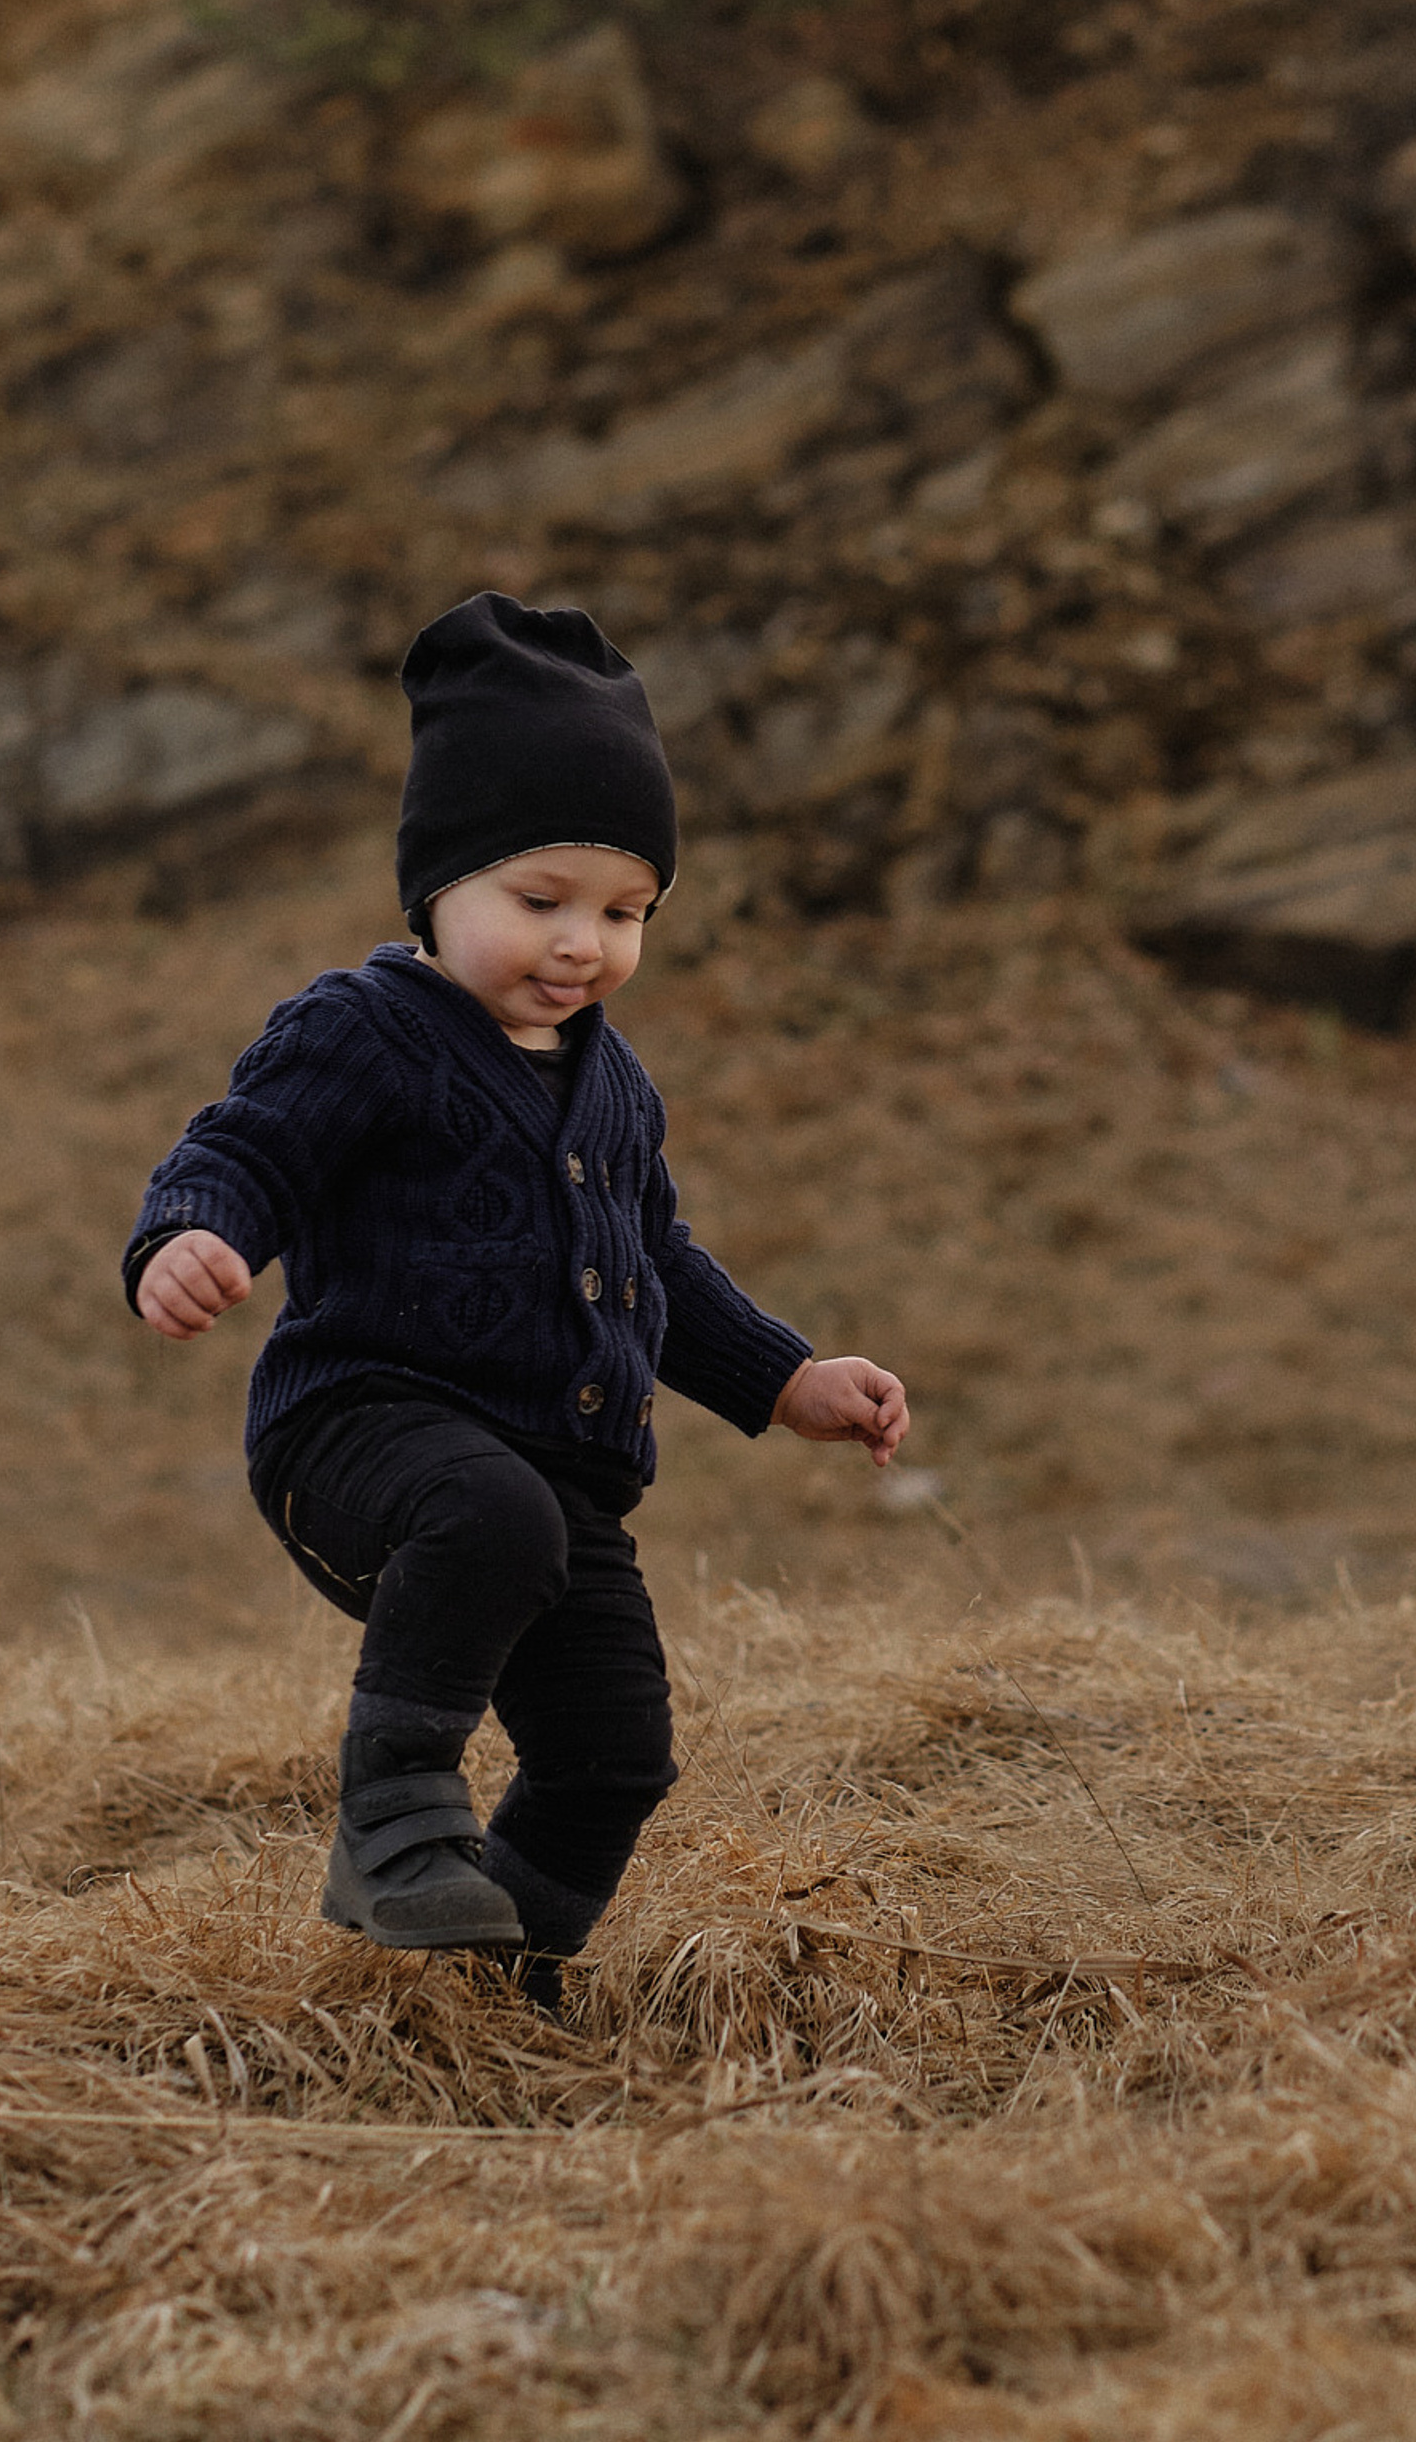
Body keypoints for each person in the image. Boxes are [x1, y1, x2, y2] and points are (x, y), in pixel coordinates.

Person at [123, 592, 907, 2013]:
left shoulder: (614, 1083)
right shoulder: (360, 1029)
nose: (582, 944)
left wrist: (788, 1379)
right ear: (436, 888)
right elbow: (243, 1151)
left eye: (623, 912)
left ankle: (498, 1985)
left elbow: (659, 1261)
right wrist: (190, 1237)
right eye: (539, 901)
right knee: (490, 1513)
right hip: (361, 1435)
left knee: (616, 1752)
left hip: (560, 1491)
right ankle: (393, 1829)